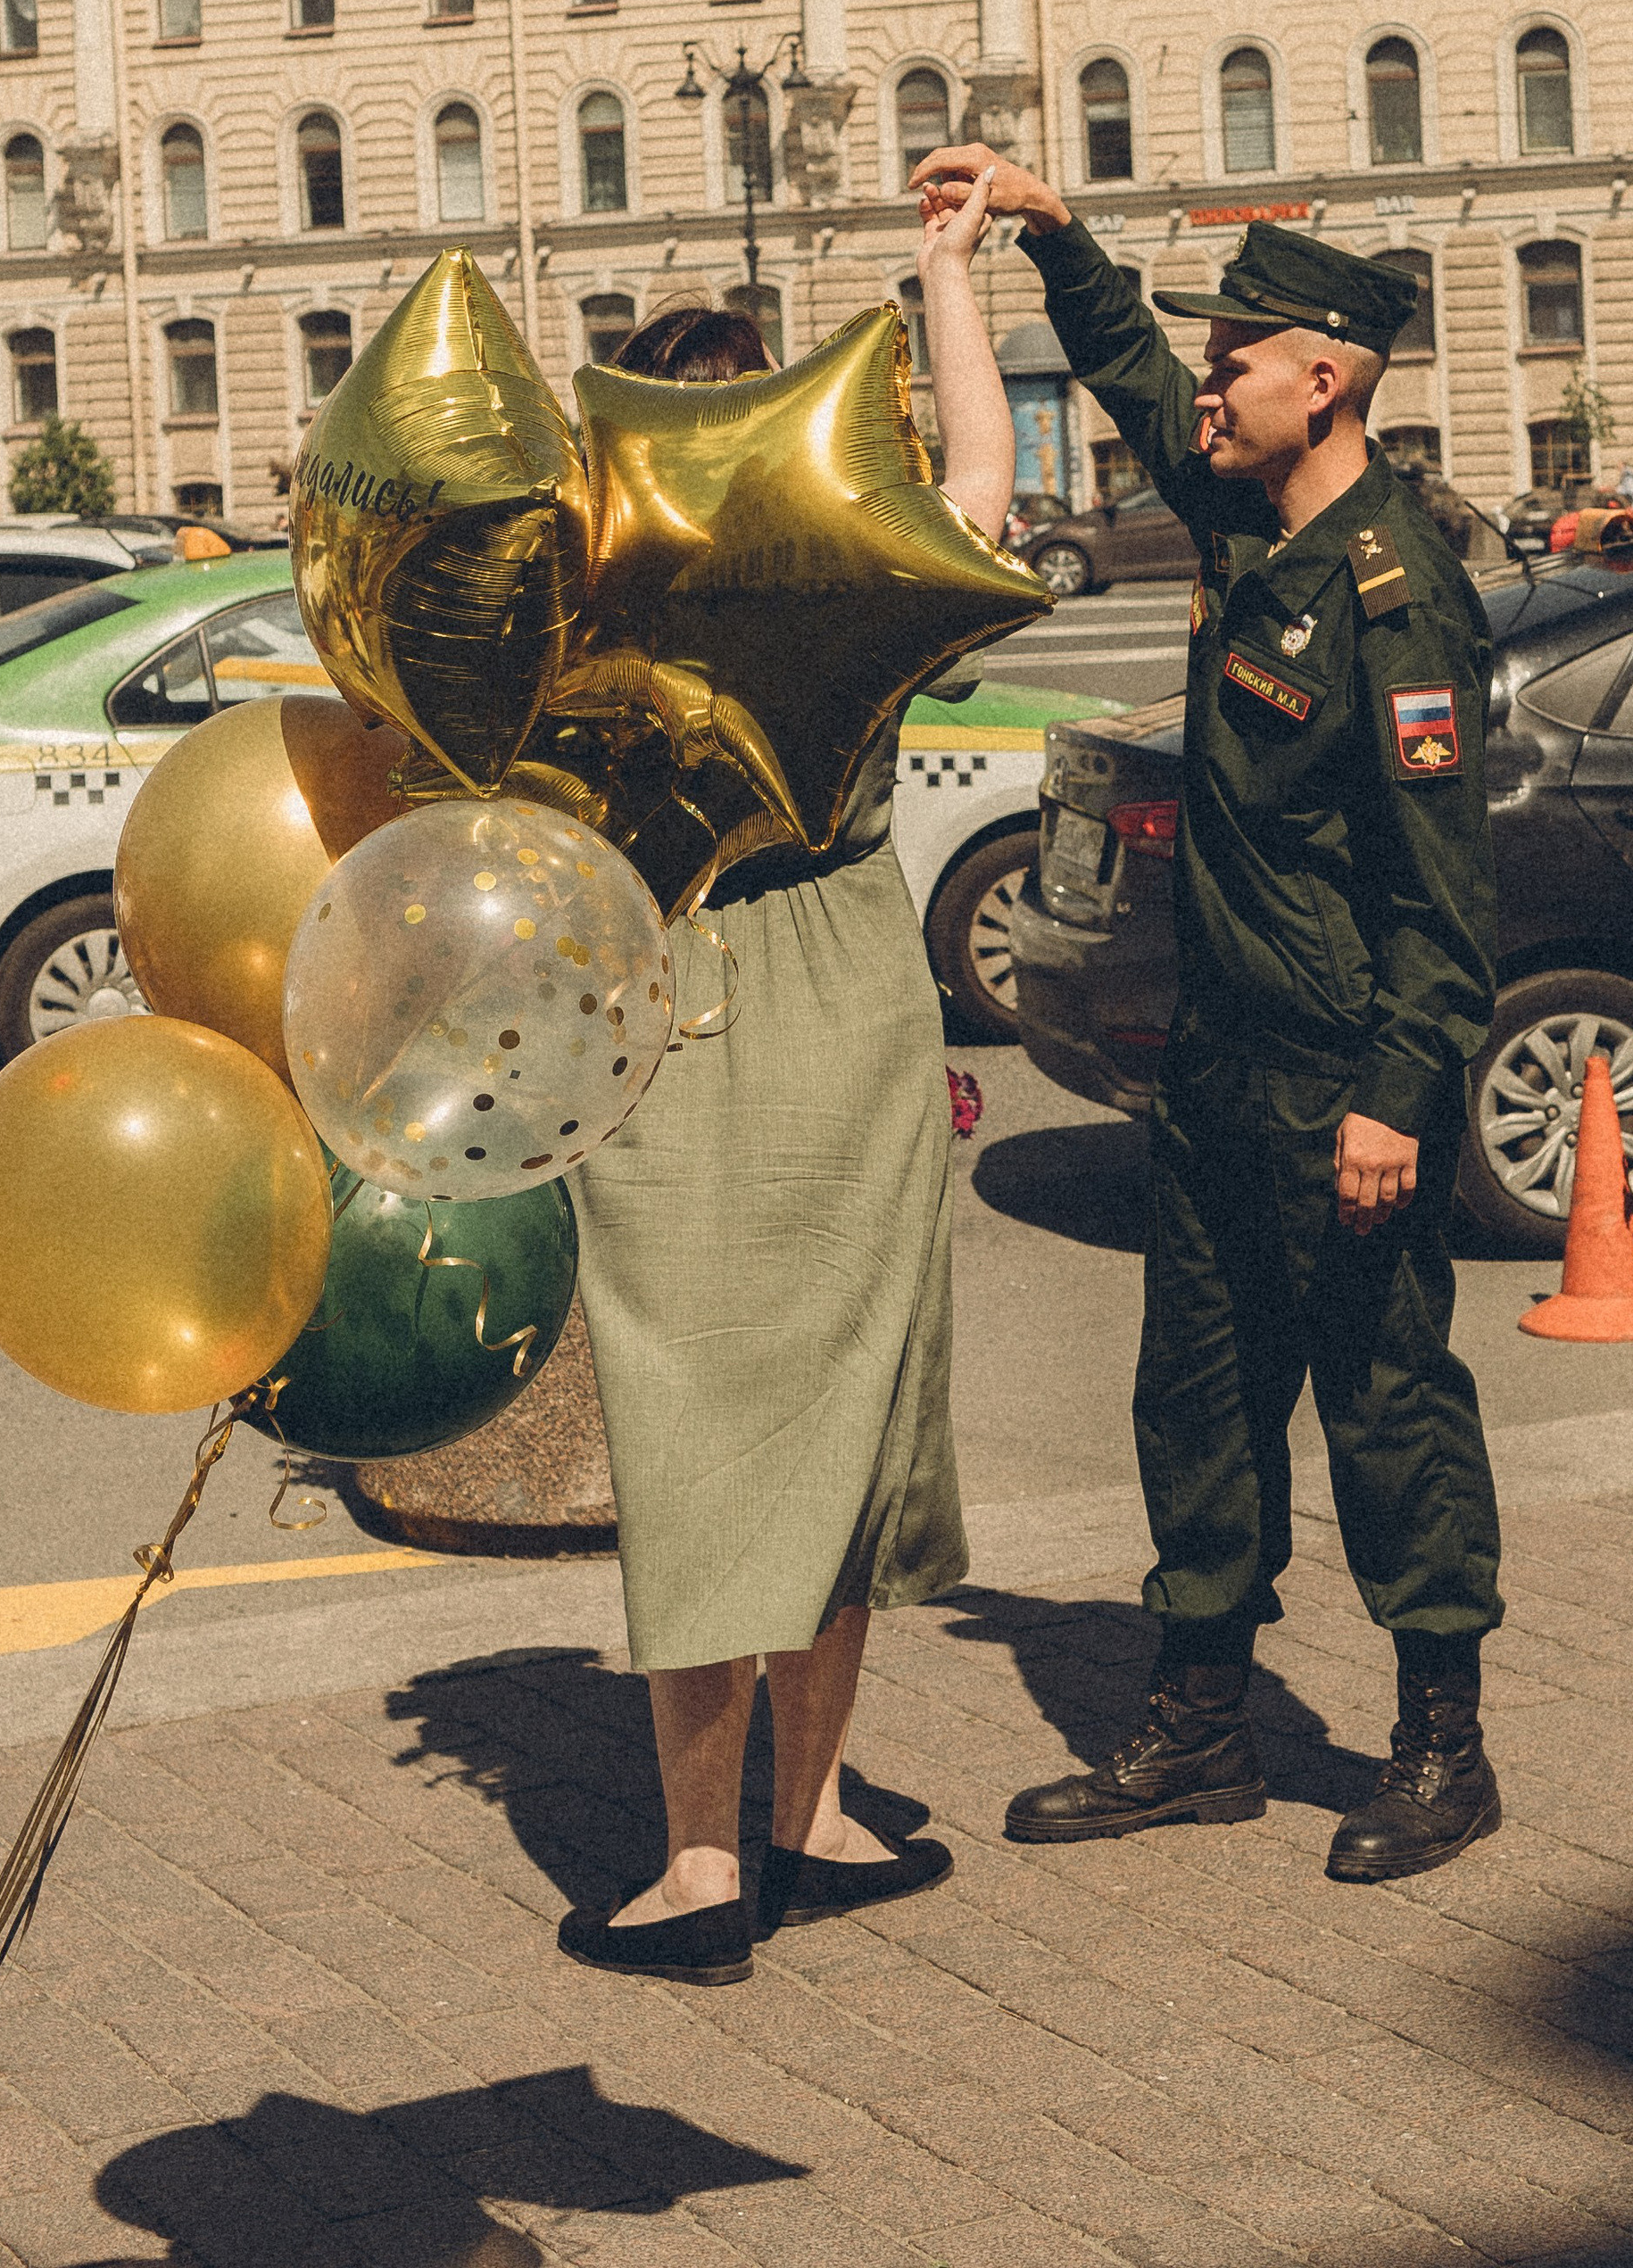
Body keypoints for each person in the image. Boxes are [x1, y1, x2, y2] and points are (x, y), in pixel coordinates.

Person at [915, 147, 1504, 1885]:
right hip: (1214, 1065)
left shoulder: (1394, 597)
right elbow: (1131, 375)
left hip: (1340, 1085)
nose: (1209, 386)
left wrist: (1400, 1091)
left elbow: (1440, 894)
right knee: (1196, 1401)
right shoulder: (1254, 516)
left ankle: (1439, 1742)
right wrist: (1044, 226)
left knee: (1385, 1412)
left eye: (1239, 357)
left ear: (1321, 380)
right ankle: (1196, 1730)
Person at [559, 168, 1017, 1984]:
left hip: (683, 995)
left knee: (699, 1436)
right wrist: (940, 283)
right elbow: (985, 485)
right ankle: (809, 1819)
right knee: (838, 1421)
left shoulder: (605, 614)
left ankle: (699, 1865)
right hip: (853, 983)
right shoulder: (858, 572)